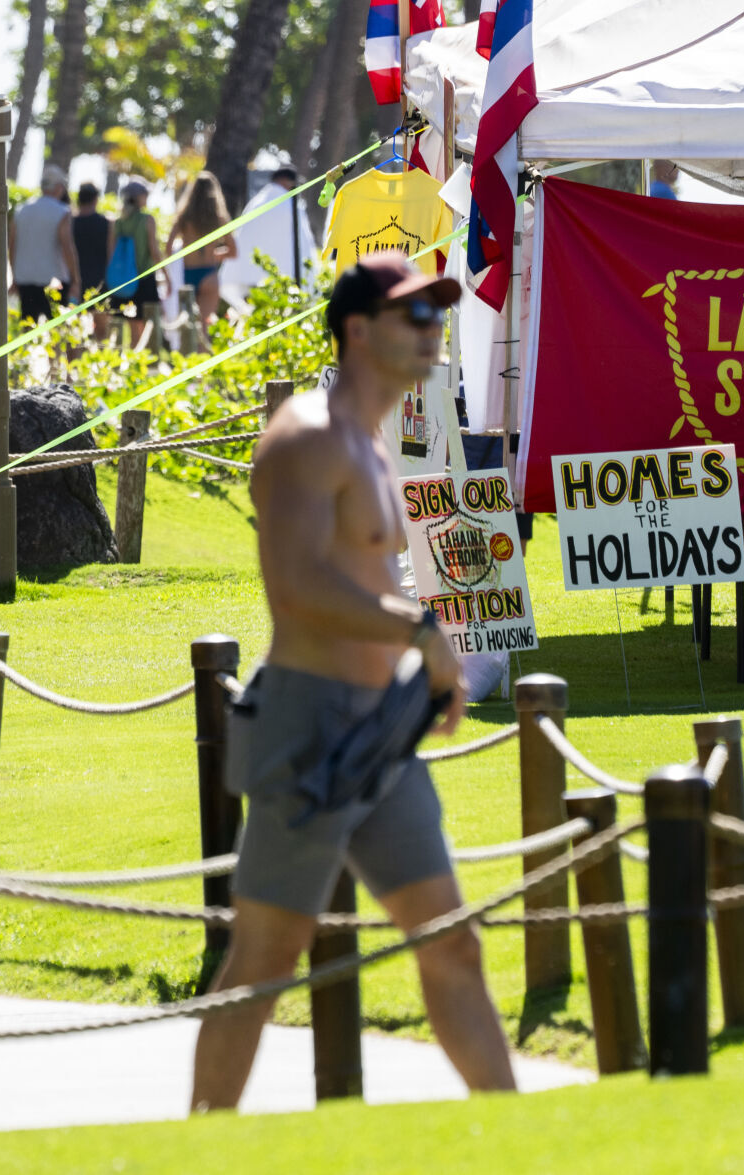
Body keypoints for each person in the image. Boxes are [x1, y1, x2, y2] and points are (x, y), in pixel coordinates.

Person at [189, 252, 516, 1112]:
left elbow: (359, 579)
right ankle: (192, 1148)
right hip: (309, 727)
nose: (433, 331)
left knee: (451, 947)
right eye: (416, 316)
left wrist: (423, 661)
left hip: (382, 730)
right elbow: (295, 583)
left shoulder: (370, 441)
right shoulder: (306, 434)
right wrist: (414, 628)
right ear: (358, 329)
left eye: (437, 315)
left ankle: (523, 1145)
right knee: (262, 961)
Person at [220, 166, 318, 304]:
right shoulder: (291, 205)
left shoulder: (256, 203)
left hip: (250, 284)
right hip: (285, 285)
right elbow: (305, 245)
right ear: (289, 182)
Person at [167, 170, 237, 330]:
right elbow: (233, 252)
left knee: (186, 330)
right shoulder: (219, 218)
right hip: (208, 275)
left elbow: (168, 248)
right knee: (203, 330)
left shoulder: (183, 217)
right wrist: (214, 254)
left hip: (186, 275)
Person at [10, 165, 80, 322]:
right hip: (55, 280)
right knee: (58, 330)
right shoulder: (62, 211)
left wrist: (15, 277)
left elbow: (12, 246)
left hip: (25, 278)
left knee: (27, 328)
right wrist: (75, 279)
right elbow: (67, 248)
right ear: (59, 188)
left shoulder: (22, 210)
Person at [109, 180, 163, 348]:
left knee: (126, 327)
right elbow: (154, 251)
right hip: (144, 277)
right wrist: (167, 275)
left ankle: (126, 364)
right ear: (139, 197)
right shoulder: (147, 220)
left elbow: (111, 252)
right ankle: (138, 365)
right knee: (142, 328)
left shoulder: (118, 221)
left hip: (122, 279)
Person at [71, 182, 113, 340]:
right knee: (102, 330)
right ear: (95, 199)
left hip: (74, 280)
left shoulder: (69, 222)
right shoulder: (107, 223)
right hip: (100, 279)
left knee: (73, 330)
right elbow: (110, 253)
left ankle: (75, 363)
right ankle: (100, 361)